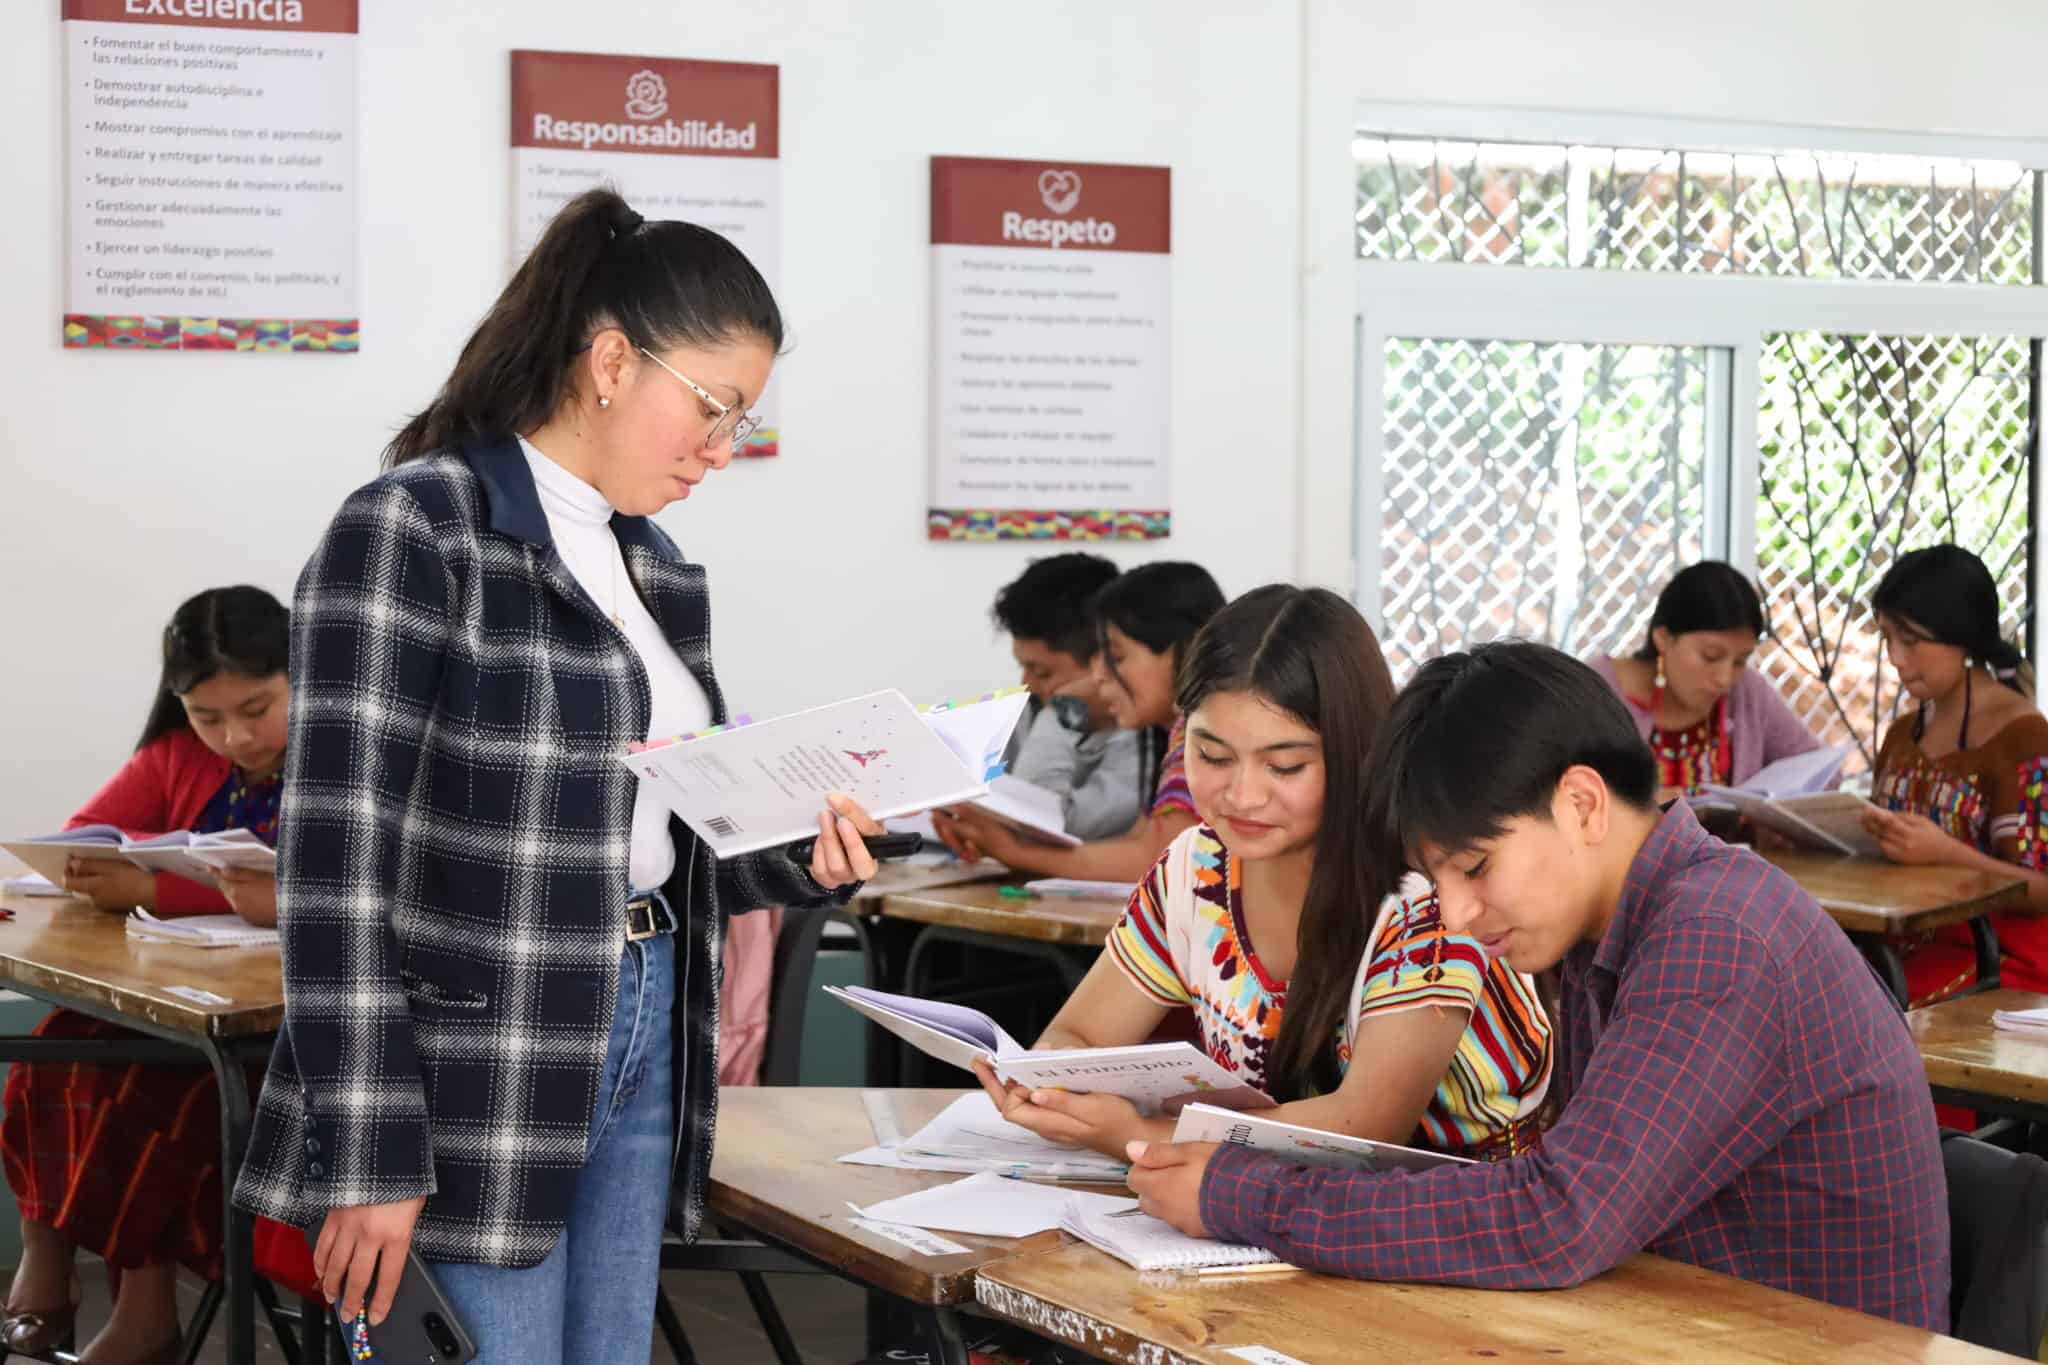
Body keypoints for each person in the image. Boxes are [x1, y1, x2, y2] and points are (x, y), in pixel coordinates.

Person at [229, 189, 881, 1365]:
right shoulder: (417, 529)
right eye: (714, 407)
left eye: (743, 419)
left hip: (640, 1018)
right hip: (471, 1062)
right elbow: (332, 870)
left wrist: (801, 849)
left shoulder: (656, 566)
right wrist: (371, 1153)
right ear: (612, 361)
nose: (722, 448)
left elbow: (653, 832)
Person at [1124, 642, 1949, 1331]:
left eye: (1476, 866)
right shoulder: (1622, 925)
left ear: (1583, 804)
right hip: (1681, 1325)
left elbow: (1557, 1220)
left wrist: (1245, 1194)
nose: (1455, 911)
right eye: (1437, 877)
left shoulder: (1717, 937)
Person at [974, 586, 1551, 1161]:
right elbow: (1078, 1037)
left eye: (1285, 765)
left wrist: (1144, 1136)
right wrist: (1053, 1087)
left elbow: (1369, 1123)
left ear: (1353, 751)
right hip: (1269, 1200)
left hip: (1462, 1208)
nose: (1243, 796)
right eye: (1213, 757)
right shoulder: (1196, 866)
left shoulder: (1427, 888)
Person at [2, 586, 290, 1365]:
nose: (236, 736)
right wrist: (123, 874)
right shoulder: (177, 758)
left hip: (286, 1038)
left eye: (258, 707)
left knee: (143, 1092)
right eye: (208, 716)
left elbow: (342, 881)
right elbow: (74, 845)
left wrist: (161, 889)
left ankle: (144, 1314)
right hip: (185, 1006)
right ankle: (48, 1265)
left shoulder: (343, 757)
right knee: (51, 1052)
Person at [933, 562, 1224, 882]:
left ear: (1187, 649)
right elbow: (1139, 843)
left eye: (1118, 657)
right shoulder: (1174, 736)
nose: (1099, 675)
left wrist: (1012, 850)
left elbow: (1159, 858)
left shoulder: (1211, 732)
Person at [1860, 544, 2048, 1004]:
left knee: (1865, 1007)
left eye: (1911, 640)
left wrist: (1945, 853)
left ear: (1962, 638)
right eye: (1887, 639)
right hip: (1904, 943)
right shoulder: (1904, 733)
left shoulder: (2025, 741)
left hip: (1998, 957)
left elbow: (2043, 892)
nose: (1896, 658)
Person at [1590, 561, 1821, 798]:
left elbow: (1819, 770)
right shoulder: (1592, 693)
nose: (1725, 679)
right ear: (1663, 638)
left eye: (1740, 661)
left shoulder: (1748, 692)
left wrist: (1774, 817)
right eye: (1711, 657)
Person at [991, 552, 1143, 840]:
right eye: (1023, 667)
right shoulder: (1029, 711)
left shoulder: (1145, 735)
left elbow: (1041, 821)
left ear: (1104, 661)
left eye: (1042, 672)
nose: (1026, 683)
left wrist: (1064, 711)